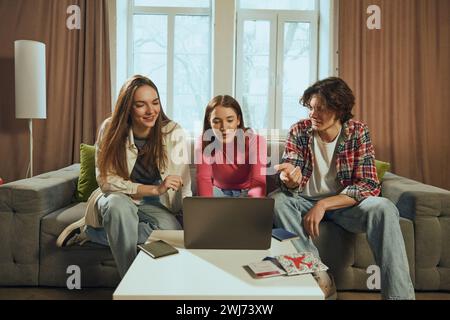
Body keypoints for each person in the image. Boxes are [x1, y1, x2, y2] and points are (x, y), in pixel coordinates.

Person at [271, 77, 415, 300]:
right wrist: (289, 178)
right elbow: (291, 177)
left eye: (321, 108)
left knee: (384, 207)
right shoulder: (299, 130)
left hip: (344, 205)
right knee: (279, 200)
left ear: (339, 109)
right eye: (311, 107)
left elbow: (368, 184)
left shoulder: (358, 132)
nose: (313, 114)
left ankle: (399, 297)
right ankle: (317, 274)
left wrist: (324, 204)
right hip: (303, 202)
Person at [57, 75, 192, 277]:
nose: (151, 111)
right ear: (128, 107)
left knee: (170, 231)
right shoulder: (110, 129)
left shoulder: (173, 132)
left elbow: (184, 182)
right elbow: (106, 182)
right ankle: (130, 284)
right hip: (116, 196)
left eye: (155, 103)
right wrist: (154, 188)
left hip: (155, 203)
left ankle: (91, 233)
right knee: (118, 207)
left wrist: (190, 217)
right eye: (141, 105)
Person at [195, 95, 267, 198]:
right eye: (216, 121)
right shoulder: (203, 141)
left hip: (247, 193)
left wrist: (252, 208)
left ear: (238, 120)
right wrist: (208, 208)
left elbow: (258, 180)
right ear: (209, 122)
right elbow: (203, 179)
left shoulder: (256, 141)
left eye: (229, 120)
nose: (223, 127)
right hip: (218, 193)